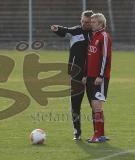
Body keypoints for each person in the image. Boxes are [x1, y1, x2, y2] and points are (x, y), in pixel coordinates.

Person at [51, 10, 94, 140]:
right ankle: (77, 132)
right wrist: (57, 29)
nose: (84, 24)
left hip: (92, 74)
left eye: (87, 22)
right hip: (76, 74)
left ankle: (97, 133)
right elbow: (65, 30)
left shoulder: (96, 35)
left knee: (95, 105)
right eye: (83, 21)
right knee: (75, 105)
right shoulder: (76, 31)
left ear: (92, 22)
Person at [82, 13, 112, 143]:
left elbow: (105, 58)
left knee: (97, 106)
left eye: (94, 22)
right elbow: (90, 58)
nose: (91, 23)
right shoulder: (93, 37)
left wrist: (100, 76)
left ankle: (98, 135)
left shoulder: (104, 36)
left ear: (101, 24)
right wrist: (85, 75)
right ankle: (100, 134)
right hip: (90, 77)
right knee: (95, 107)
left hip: (99, 78)